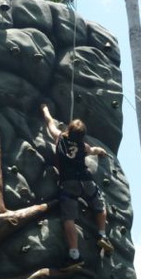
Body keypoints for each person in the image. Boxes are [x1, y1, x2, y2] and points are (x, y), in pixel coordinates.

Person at [41, 103, 113, 267]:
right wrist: (100, 151)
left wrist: (44, 108)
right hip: (86, 180)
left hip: (69, 183)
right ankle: (102, 235)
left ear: (68, 130)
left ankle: (74, 254)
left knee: (69, 218)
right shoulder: (82, 146)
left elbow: (49, 122)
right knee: (100, 205)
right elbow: (92, 150)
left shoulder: (59, 138)